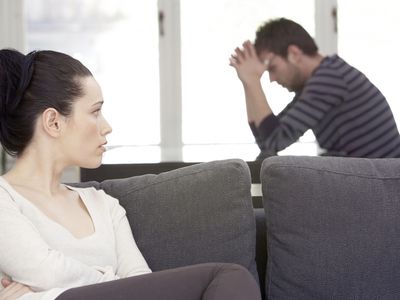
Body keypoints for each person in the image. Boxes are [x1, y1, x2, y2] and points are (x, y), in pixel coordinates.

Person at [0, 49, 261, 300]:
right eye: (95, 111)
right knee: (228, 277)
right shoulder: (5, 198)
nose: (107, 126)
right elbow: (47, 271)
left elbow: (144, 287)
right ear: (53, 122)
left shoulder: (104, 205)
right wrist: (114, 281)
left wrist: (43, 295)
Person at [230, 17, 400, 158]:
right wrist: (247, 82)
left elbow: (275, 140)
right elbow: (266, 142)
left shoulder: (329, 79)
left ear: (294, 54)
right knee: (267, 163)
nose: (272, 79)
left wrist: (253, 80)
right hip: (372, 177)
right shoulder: (321, 79)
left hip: (383, 184)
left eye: (272, 68)